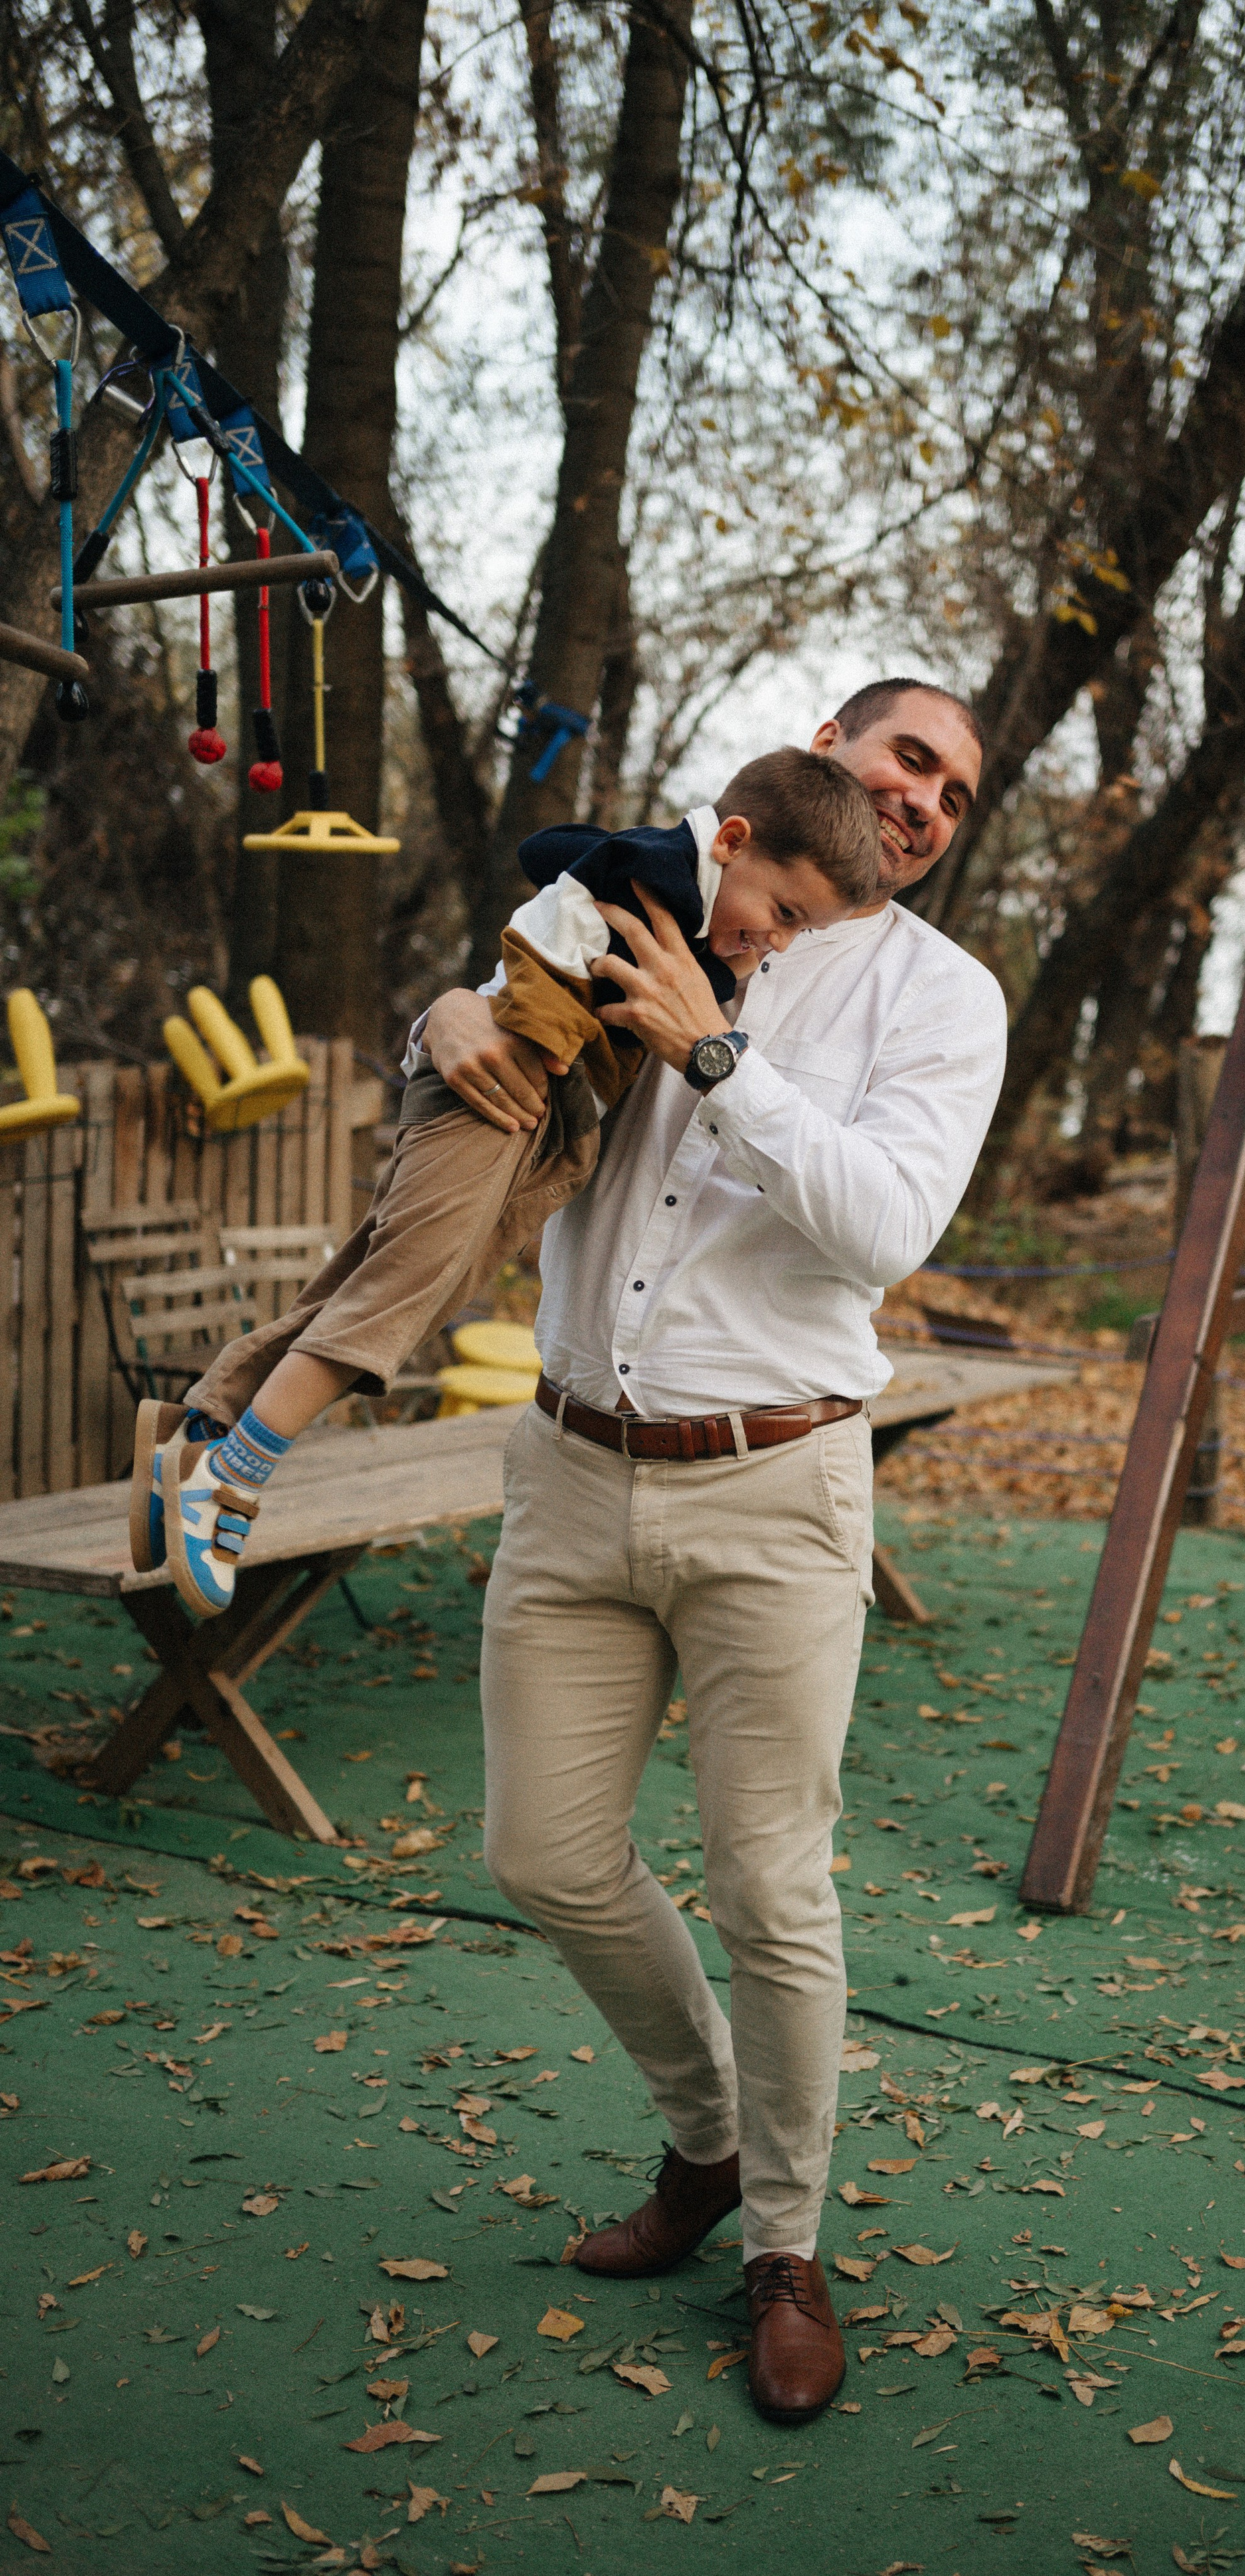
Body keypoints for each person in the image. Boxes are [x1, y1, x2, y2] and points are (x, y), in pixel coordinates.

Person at [419, 677, 1001, 2427]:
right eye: (909, 756)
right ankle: (707, 2140)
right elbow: (493, 1044)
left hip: (777, 1487)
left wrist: (715, 1055)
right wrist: (435, 1021)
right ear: (827, 745)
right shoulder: (649, 886)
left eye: (956, 794)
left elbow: (885, 1227)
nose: (925, 798)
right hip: (571, 1468)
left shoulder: (941, 996)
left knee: (769, 1887)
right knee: (541, 1849)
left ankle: (785, 2250)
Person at [133, 748, 881, 1618]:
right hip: (487, 1092)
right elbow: (549, 875)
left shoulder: (710, 926)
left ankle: (202, 1426)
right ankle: (231, 1475)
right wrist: (520, 1018)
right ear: (733, 840)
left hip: (541, 1127)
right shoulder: (655, 869)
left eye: (800, 932)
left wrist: (732, 962)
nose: (778, 941)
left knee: (397, 1283)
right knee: (398, 1291)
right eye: (782, 912)